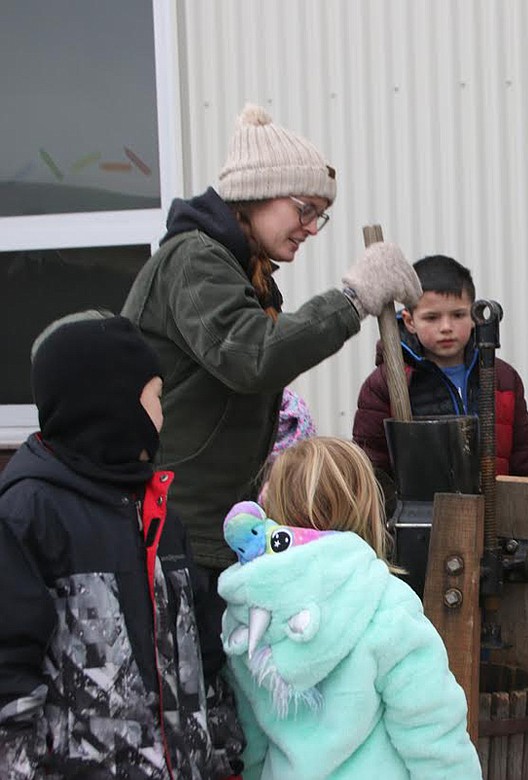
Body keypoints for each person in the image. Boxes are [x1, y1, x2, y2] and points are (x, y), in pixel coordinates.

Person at [122, 103, 421, 573]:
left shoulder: (241, 269)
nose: (310, 228)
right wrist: (353, 299)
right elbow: (254, 356)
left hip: (219, 523)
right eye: (305, 209)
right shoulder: (195, 262)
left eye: (320, 216)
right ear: (256, 192)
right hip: (183, 528)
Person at [0, 312, 240, 779]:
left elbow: (203, 655)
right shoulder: (29, 513)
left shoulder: (156, 511)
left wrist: (224, 756)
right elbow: (8, 674)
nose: (162, 415)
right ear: (110, 405)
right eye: (155, 398)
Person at [217, 436, 482, 779]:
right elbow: (434, 737)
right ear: (366, 507)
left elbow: (250, 742)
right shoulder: (385, 603)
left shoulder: (245, 614)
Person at [352, 254, 528, 528]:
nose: (446, 327)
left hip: (495, 529)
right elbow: (372, 470)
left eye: (458, 315)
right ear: (409, 320)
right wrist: (389, 532)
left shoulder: (501, 378)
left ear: (475, 315)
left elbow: (524, 462)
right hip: (420, 532)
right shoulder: (386, 384)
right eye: (431, 317)